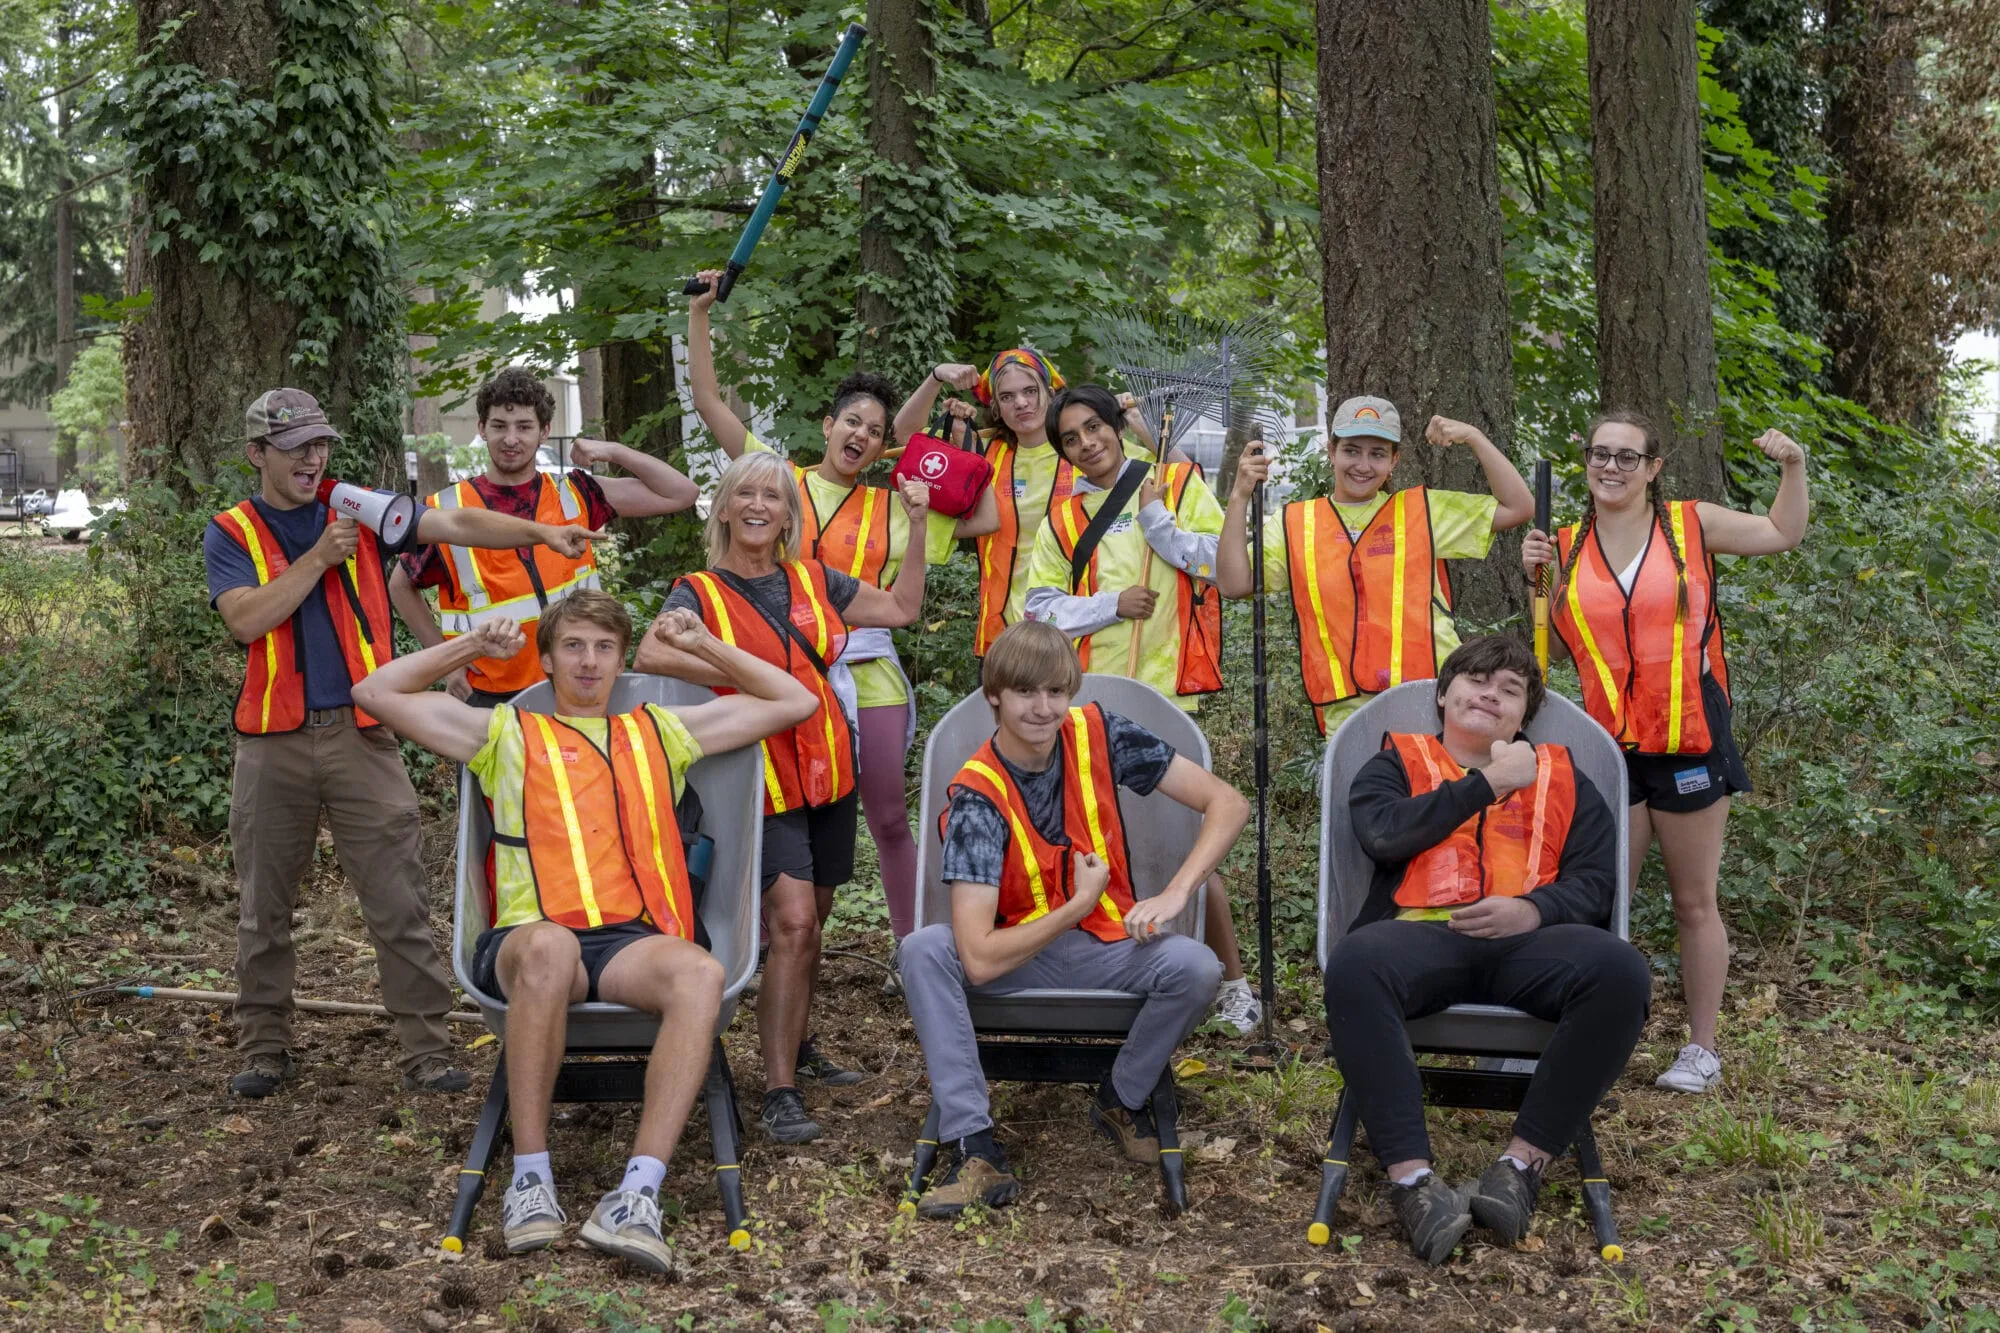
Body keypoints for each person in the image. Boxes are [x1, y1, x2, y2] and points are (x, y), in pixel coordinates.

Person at [350, 591, 817, 1272]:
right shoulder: (504, 731)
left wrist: (702, 646)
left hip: (631, 942)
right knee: (550, 944)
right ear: (547, 658)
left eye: (603, 647)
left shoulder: (659, 729)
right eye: (573, 646)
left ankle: (636, 1195)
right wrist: (475, 647)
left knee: (701, 973)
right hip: (529, 941)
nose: (590, 661)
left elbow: (793, 701)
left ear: (622, 658)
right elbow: (374, 688)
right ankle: (531, 1179)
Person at [205, 387, 606, 1099]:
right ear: (257, 454)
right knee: (264, 905)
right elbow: (245, 619)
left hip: (365, 734)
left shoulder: (355, 505)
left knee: (399, 896)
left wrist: (539, 535)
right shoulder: (233, 530)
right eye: (296, 446)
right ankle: (264, 1046)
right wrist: (318, 562)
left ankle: (426, 1049)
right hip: (272, 740)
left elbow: (452, 521)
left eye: (320, 443)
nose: (313, 457)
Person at [686, 272, 998, 943]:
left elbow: (984, 519)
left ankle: (915, 949)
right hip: (779, 666)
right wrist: (700, 315)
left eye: (874, 430)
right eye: (850, 421)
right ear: (828, 426)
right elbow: (709, 401)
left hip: (867, 671)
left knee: (886, 818)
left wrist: (962, 422)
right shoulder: (779, 482)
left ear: (885, 446)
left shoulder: (896, 504)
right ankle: (763, 940)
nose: (859, 433)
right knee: (761, 804)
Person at [633, 451, 932, 1143]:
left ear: (788, 513)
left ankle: (793, 1041)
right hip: (755, 775)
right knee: (793, 923)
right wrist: (735, 669)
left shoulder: (813, 578)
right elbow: (649, 653)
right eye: (747, 494)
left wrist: (916, 526)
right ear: (726, 508)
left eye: (773, 495)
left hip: (829, 766)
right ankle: (779, 1091)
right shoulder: (697, 591)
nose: (760, 505)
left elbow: (904, 608)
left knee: (812, 923)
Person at [1324, 635, 1650, 1264]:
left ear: (1522, 716)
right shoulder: (1395, 761)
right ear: (1444, 694)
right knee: (1356, 963)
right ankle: (1414, 1184)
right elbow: (1384, 835)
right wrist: (1489, 783)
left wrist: (1532, 910)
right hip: (1419, 938)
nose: (1490, 694)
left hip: (1532, 946)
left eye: (1510, 689)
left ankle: (1519, 1169)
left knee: (1620, 971)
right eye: (1476, 679)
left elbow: (1597, 881)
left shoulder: (1563, 775)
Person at [900, 620, 1243, 1218]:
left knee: (1195, 965)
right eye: (1026, 692)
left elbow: (1228, 802)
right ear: (995, 698)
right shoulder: (977, 797)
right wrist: (1076, 906)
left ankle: (1121, 1097)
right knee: (926, 949)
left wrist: (1178, 892)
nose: (1043, 707)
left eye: (1056, 691)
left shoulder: (1102, 734)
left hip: (1109, 948)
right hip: (1014, 959)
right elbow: (978, 958)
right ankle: (975, 1148)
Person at [1522, 415, 1807, 1095]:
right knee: (1596, 899)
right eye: (1600, 454)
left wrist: (1793, 467)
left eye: (1627, 456)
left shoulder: (1690, 524)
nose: (1611, 467)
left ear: (1653, 466)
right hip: (1606, 744)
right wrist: (1539, 583)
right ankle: (1585, 1037)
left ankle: (1701, 1048)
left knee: (1692, 901)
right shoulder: (1565, 542)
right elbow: (1557, 650)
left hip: (1688, 736)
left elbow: (1781, 532)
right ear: (1585, 461)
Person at [1018, 384, 1260, 1034]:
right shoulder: (1064, 518)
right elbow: (1035, 606)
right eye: (1071, 438)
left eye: (1094, 427)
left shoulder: (1175, 483)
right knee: (1099, 844)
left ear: (1116, 425)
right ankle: (1119, 969)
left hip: (1171, 694)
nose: (1087, 444)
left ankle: (1233, 984)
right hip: (1093, 704)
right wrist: (1106, 605)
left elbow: (1225, 566)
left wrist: (1162, 526)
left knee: (1185, 842)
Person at [1216, 397, 1535, 737]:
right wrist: (1239, 495)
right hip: (1347, 711)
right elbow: (1234, 584)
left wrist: (1474, 436)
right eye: (1352, 450)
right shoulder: (1296, 523)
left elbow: (1519, 507)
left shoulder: (1422, 511)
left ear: (1394, 460)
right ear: (1331, 451)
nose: (1363, 465)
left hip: (1429, 700)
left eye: (1377, 454)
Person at [388, 366, 699, 706]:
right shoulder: (449, 510)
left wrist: (612, 451)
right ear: (481, 428)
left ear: (545, 431)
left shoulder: (576, 493)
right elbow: (400, 586)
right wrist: (448, 665)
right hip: (494, 695)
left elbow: (681, 493)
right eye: (499, 426)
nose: (511, 439)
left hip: (580, 682)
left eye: (524, 427)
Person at [893, 348, 1167, 657]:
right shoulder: (984, 457)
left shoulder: (1090, 452)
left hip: (1084, 634)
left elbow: (1178, 477)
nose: (1021, 403)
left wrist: (1140, 425)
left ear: (1050, 393)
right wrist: (936, 376)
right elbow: (905, 435)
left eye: (1029, 391)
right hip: (1007, 639)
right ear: (996, 407)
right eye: (1007, 397)